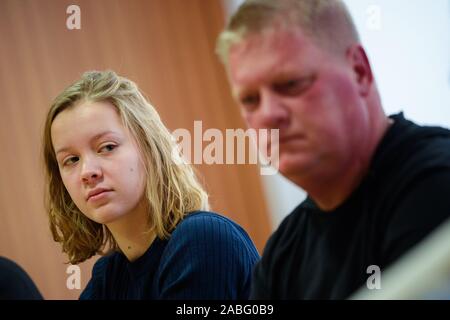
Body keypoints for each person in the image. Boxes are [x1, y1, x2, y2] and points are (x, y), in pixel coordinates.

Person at [216, 0, 450, 299]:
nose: (267, 114)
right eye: (250, 100)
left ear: (359, 71)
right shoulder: (283, 251)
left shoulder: (434, 185)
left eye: (290, 83)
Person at [42, 70, 259, 299]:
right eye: (71, 160)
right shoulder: (108, 276)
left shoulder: (203, 239)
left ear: (150, 148)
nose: (87, 172)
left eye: (107, 147)